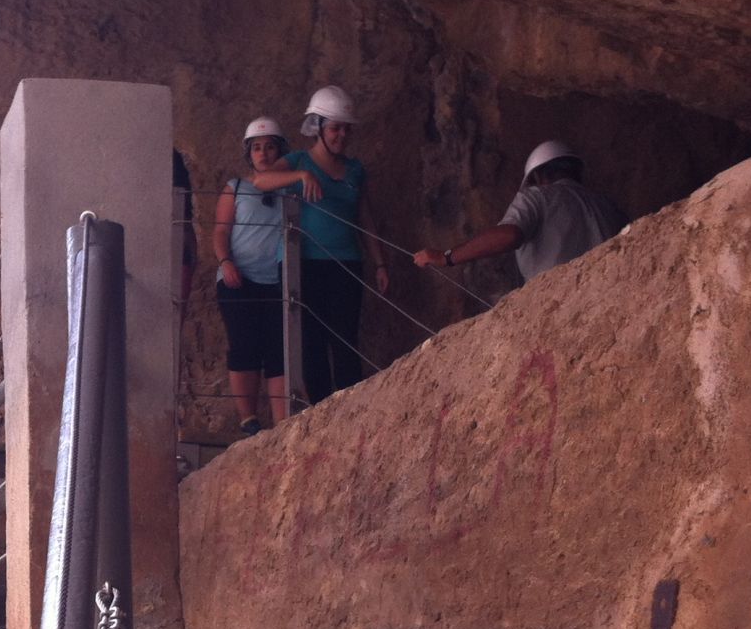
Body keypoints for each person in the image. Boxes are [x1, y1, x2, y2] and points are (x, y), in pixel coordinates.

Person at [252, 85, 390, 404]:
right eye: (335, 128)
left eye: (346, 128)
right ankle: (322, 411)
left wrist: (380, 263)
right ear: (318, 127)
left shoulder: (355, 169)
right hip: (306, 263)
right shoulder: (298, 160)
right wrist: (300, 176)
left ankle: (351, 409)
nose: (342, 135)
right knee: (311, 342)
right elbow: (260, 180)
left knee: (345, 340)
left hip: (347, 262)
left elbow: (365, 218)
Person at [414, 140, 627, 281]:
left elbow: (509, 235)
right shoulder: (610, 206)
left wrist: (447, 257)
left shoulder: (537, 196)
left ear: (538, 176)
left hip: (562, 303)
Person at [213, 118, 290, 435]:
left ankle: (283, 425)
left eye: (270, 147)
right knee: (244, 346)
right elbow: (220, 232)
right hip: (239, 278)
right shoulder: (236, 188)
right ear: (249, 154)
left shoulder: (290, 191)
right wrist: (226, 262)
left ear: (280, 151)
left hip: (277, 281)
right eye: (257, 147)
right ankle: (249, 421)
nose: (264, 153)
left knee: (278, 351)